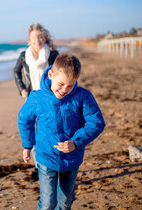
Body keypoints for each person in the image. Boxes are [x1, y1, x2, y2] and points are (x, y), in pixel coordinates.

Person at [18, 53, 105, 210]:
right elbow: (25, 119)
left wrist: (76, 142)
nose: (65, 90)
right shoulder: (36, 98)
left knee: (65, 203)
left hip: (72, 158)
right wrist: (27, 145)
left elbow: (96, 123)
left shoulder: (83, 96)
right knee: (47, 203)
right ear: (51, 74)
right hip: (46, 157)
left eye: (70, 85)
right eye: (61, 84)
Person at [14, 23, 59, 182]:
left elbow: (60, 74)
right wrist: (22, 89)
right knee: (32, 133)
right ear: (29, 40)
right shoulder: (23, 56)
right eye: (34, 37)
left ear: (45, 38)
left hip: (50, 100)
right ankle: (37, 167)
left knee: (47, 132)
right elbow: (16, 72)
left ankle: (51, 165)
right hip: (32, 99)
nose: (37, 40)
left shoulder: (53, 55)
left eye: (40, 36)